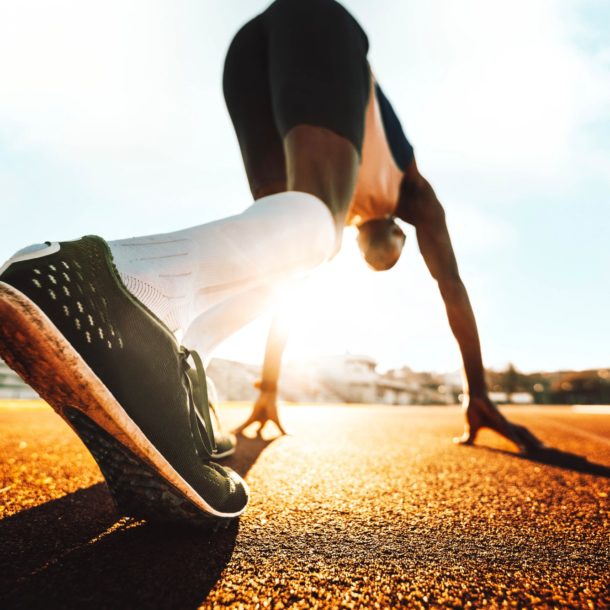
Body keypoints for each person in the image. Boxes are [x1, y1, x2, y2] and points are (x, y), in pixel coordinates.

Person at [0, 0, 539, 528]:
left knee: (289, 253)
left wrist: (267, 389)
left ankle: (187, 360)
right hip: (318, 21)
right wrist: (481, 394)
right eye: (389, 256)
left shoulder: (329, 208)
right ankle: (114, 278)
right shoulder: (416, 196)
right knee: (315, 235)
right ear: (398, 234)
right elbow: (454, 291)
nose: (382, 256)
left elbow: (284, 296)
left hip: (247, 56)